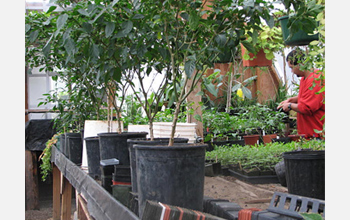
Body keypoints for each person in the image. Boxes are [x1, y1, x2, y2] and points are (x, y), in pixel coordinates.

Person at [278, 49, 325, 139]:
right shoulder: (305, 79)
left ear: (300, 64)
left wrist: (290, 106)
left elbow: (307, 107)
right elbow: (310, 95)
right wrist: (294, 99)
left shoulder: (315, 79)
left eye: (292, 67)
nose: (292, 71)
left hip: (317, 134)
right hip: (307, 133)